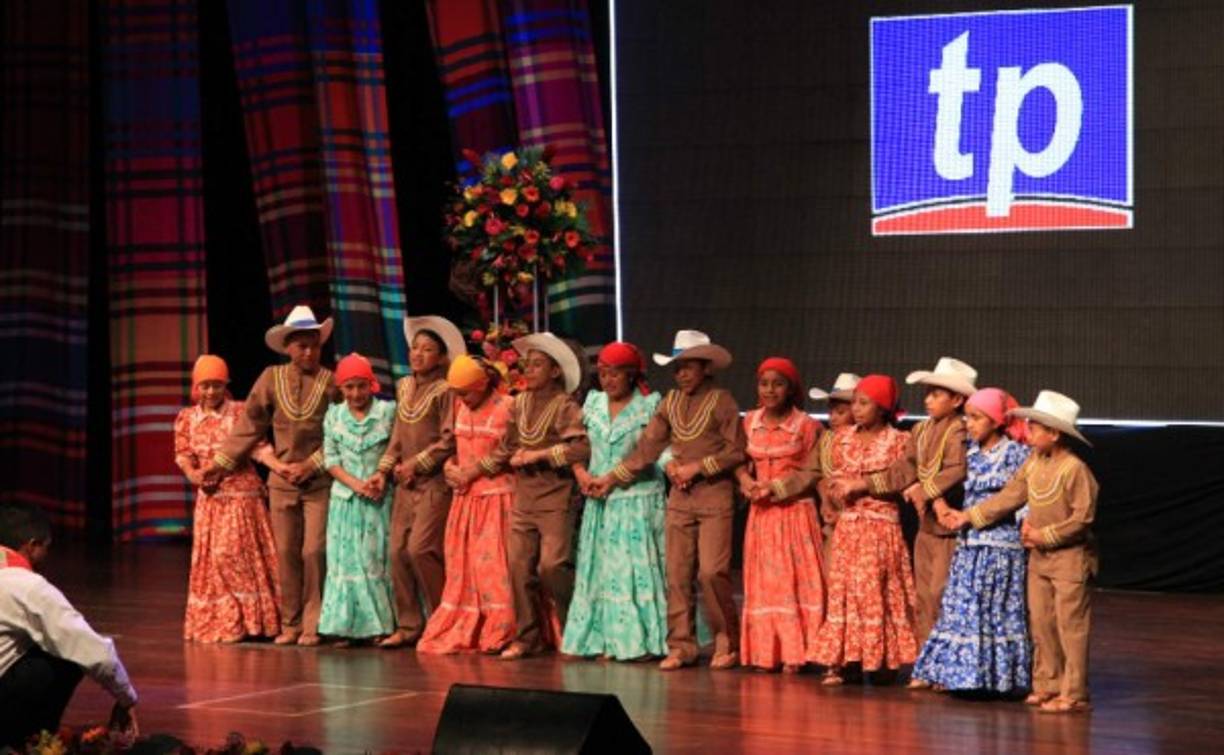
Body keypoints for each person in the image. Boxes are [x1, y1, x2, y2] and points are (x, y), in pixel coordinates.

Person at [592, 330, 746, 671]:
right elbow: (646, 449)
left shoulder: (722, 401)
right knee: (676, 573)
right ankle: (681, 645)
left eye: (688, 367)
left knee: (712, 571)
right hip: (680, 498)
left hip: (714, 497)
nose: (682, 374)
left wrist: (697, 467)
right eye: (677, 368)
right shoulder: (670, 402)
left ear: (706, 367)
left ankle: (726, 639)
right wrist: (612, 478)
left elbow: (736, 451)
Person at [942, 390, 1099, 714]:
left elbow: (1082, 518)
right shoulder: (1033, 463)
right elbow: (1010, 496)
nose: (1028, 431)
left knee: (1070, 626)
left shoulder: (1075, 469)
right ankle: (1047, 684)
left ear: (1054, 434)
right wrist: (969, 516)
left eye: (1035, 427)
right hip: (1039, 558)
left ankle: (1074, 692)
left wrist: (1044, 535)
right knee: (1041, 622)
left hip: (1069, 558)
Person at [205, 305, 339, 646]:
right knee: (287, 552)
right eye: (302, 346)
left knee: (314, 551)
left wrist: (312, 464)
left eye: (314, 346)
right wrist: (220, 463)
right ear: (288, 347)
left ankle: (314, 623)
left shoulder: (331, 382)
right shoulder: (271, 378)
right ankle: (291, 623)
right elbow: (250, 424)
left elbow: (341, 433)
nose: (308, 352)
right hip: (282, 482)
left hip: (318, 480)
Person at [835, 357, 976, 661]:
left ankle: (944, 663)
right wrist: (864, 484)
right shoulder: (921, 431)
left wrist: (926, 491)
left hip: (949, 527)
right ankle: (926, 662)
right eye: (927, 394)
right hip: (926, 525)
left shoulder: (959, 431)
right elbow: (903, 470)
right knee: (923, 596)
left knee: (940, 592)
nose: (927, 400)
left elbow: (957, 469)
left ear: (957, 400)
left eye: (936, 395)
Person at [913, 388, 1031, 694]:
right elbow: (943, 482)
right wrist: (941, 505)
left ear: (996, 421)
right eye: (967, 417)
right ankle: (959, 675)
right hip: (969, 544)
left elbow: (1020, 499)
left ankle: (996, 678)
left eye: (977, 418)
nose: (969, 424)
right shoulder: (971, 455)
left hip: (1000, 546)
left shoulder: (1016, 454)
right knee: (964, 608)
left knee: (992, 609)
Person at [482, 332, 590, 660]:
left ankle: (574, 631)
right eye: (526, 364)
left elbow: (581, 448)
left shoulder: (565, 406)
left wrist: (538, 455)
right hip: (525, 497)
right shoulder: (520, 403)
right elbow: (508, 446)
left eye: (537, 365)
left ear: (556, 371)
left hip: (556, 497)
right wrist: (473, 470)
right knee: (518, 566)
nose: (528, 370)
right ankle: (528, 637)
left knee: (552, 566)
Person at [563, 342, 670, 661]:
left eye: (615, 374)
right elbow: (578, 446)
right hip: (599, 499)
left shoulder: (650, 406)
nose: (607, 380)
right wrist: (581, 474)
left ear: (631, 375)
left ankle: (638, 642)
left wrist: (612, 478)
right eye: (603, 374)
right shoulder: (593, 403)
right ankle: (603, 639)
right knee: (601, 572)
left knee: (631, 573)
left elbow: (653, 452)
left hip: (635, 501)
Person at [0, 502, 139, 747]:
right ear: (32, 546)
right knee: (67, 654)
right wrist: (126, 699)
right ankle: (32, 741)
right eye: (46, 547)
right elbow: (95, 653)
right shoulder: (28, 586)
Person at [814, 375, 918, 685]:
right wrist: (831, 497)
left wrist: (861, 485)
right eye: (855, 403)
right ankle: (845, 659)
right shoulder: (842, 438)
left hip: (880, 526)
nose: (856, 409)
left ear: (882, 407)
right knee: (845, 591)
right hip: (849, 525)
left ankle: (882, 659)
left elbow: (901, 478)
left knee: (875, 591)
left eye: (864, 403)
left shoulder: (898, 440)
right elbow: (831, 476)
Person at [175, 354, 281, 643]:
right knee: (214, 562)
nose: (211, 392)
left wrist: (279, 466)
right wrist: (193, 474)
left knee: (233, 556)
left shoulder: (239, 412)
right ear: (196, 387)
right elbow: (183, 454)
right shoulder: (187, 418)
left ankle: (251, 621)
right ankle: (226, 621)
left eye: (217, 385)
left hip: (241, 498)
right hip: (210, 500)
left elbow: (259, 447)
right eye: (205, 386)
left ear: (226, 385)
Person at [417, 356, 516, 654]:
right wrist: (450, 466)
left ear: (482, 384)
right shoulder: (460, 407)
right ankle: (468, 626)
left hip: (496, 499)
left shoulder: (507, 407)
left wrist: (472, 471)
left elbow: (509, 450)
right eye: (458, 393)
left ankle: (500, 629)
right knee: (465, 567)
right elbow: (456, 447)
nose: (461, 399)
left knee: (493, 568)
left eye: (466, 393)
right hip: (466, 500)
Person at [376, 316, 463, 649]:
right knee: (397, 552)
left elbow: (449, 438)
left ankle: (443, 621)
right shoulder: (404, 386)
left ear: (441, 357)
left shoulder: (446, 391)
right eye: (415, 348)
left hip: (433, 483)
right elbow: (399, 434)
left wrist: (417, 463)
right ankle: (410, 624)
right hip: (405, 484)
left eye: (427, 350)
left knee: (421, 549)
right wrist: (384, 469)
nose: (418, 354)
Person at [736, 357, 825, 673]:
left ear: (790, 389)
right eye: (764, 384)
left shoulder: (807, 426)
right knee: (766, 585)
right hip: (762, 517)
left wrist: (775, 487)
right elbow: (738, 459)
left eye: (778, 384)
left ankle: (797, 653)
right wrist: (745, 481)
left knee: (793, 582)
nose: (770, 390)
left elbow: (813, 470)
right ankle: (767, 652)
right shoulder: (749, 422)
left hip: (794, 513)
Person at [317, 354, 397, 646]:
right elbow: (330, 459)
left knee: (374, 559)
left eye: (361, 386)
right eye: (349, 387)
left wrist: (380, 475)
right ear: (340, 388)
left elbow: (397, 448)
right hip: (345, 500)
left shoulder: (387, 412)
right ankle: (346, 627)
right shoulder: (334, 416)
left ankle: (381, 626)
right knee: (347, 562)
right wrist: (355, 484)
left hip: (378, 498)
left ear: (371, 384)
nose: (356, 394)